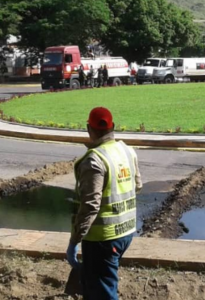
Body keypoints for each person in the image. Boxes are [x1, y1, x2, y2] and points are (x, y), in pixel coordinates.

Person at [66, 107, 142, 300]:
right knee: (99, 283)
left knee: (103, 291)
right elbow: (137, 185)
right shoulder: (127, 151)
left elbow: (91, 205)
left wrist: (74, 240)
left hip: (103, 239)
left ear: (88, 129)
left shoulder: (94, 160)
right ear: (113, 127)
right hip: (126, 232)